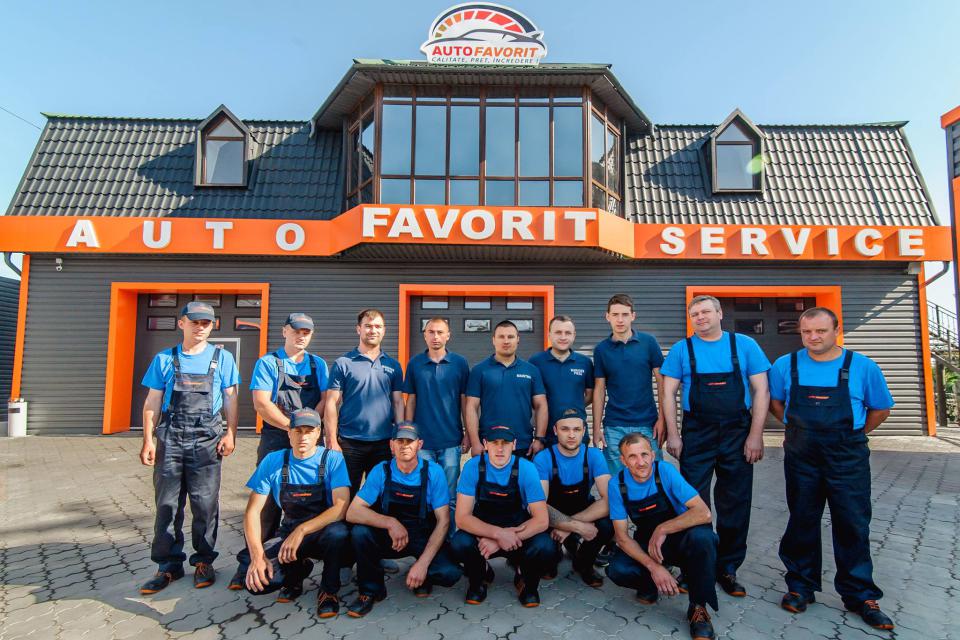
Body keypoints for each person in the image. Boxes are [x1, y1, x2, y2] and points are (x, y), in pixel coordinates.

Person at [768, 307, 895, 631]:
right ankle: (800, 586)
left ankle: (860, 595)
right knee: (802, 520)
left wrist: (853, 434)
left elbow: (881, 409)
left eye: (821, 331)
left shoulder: (862, 366)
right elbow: (775, 403)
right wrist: (796, 429)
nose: (813, 337)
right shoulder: (785, 365)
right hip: (802, 456)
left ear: (837, 330)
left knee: (852, 523)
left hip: (847, 457)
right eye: (807, 332)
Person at [660, 295, 770, 597]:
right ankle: (693, 566)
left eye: (706, 311)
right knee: (692, 500)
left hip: (737, 432)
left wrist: (755, 435)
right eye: (694, 313)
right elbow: (668, 394)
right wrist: (674, 434)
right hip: (697, 433)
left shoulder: (744, 345)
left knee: (735, 502)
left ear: (720, 313)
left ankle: (727, 567)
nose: (700, 317)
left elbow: (761, 391)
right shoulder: (682, 349)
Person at [138, 301, 239, 594]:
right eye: (194, 322)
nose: (200, 327)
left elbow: (231, 398)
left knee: (205, 504)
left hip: (207, 438)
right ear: (181, 323)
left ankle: (204, 561)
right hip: (171, 436)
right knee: (167, 504)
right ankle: (168, 565)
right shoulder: (164, 359)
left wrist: (231, 434)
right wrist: (148, 439)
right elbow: (152, 401)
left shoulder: (223, 358)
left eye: (205, 323)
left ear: (212, 326)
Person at [229, 312, 329, 590]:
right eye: (296, 331)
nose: (301, 336)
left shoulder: (318, 364)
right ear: (285, 331)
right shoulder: (268, 363)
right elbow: (261, 403)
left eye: (306, 332)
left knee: (312, 496)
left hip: (310, 438)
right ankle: (249, 563)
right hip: (277, 437)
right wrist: (291, 428)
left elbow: (325, 400)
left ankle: (301, 557)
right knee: (268, 504)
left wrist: (307, 431)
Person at [606, 433, 719, 640]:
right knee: (617, 569)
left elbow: (703, 513)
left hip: (678, 539)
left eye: (644, 454)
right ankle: (652, 583)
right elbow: (622, 537)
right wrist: (654, 567)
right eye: (632, 457)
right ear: (623, 461)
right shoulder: (616, 484)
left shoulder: (665, 471)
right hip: (648, 544)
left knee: (704, 538)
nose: (641, 462)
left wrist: (663, 528)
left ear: (652, 454)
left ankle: (698, 608)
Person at [345, 421, 463, 617]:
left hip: (420, 536)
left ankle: (422, 575)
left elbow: (443, 521)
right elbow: (353, 512)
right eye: (399, 441)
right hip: (389, 538)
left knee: (449, 573)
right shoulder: (381, 470)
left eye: (410, 441)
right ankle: (370, 590)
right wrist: (390, 523)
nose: (404, 446)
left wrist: (423, 564)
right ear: (391, 445)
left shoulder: (433, 472)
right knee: (360, 533)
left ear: (419, 444)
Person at [243, 408, 350, 618]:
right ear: (289, 433)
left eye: (309, 431)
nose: (303, 437)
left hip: (323, 532)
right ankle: (296, 573)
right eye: (298, 431)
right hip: (289, 531)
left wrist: (302, 530)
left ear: (318, 433)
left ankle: (328, 591)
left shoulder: (332, 459)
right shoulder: (273, 461)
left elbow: (340, 508)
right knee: (257, 583)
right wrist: (257, 557)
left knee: (339, 534)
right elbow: (252, 513)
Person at [450, 425, 558, 607]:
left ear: (514, 445)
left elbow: (541, 520)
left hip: (517, 537)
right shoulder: (472, 467)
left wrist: (504, 539)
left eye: (505, 443)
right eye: (494, 443)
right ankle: (479, 578)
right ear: (485, 444)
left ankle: (527, 583)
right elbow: (461, 518)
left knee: (545, 546)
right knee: (459, 543)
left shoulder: (526, 468)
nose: (500, 449)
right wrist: (498, 535)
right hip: (484, 536)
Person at [324, 308, 404, 495]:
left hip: (383, 443)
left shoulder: (393, 365)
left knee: (380, 495)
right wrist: (332, 439)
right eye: (368, 326)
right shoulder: (343, 363)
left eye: (378, 326)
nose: (373, 330)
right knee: (345, 494)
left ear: (384, 330)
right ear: (358, 329)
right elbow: (331, 403)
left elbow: (398, 402)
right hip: (350, 442)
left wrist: (398, 437)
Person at [532, 408, 611, 587]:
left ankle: (583, 563)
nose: (571, 435)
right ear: (555, 430)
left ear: (584, 431)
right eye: (565, 429)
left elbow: (609, 500)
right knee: (546, 555)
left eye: (576, 429)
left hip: (583, 510)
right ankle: (556, 552)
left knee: (608, 524)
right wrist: (576, 527)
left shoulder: (593, 455)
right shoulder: (543, 458)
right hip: (552, 516)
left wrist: (570, 526)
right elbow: (539, 506)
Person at [592, 294, 666, 473]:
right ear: (607, 316)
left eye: (625, 314)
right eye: (615, 314)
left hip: (648, 424)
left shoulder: (649, 343)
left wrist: (663, 419)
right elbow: (599, 390)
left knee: (651, 476)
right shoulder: (601, 349)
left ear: (633, 316)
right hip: (614, 425)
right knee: (617, 479)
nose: (620, 319)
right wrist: (596, 428)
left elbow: (662, 383)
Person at [403, 317, 470, 511]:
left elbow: (465, 402)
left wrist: (468, 434)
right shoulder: (415, 363)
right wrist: (408, 434)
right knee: (424, 494)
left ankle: (449, 531)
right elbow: (411, 400)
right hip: (422, 442)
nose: (435, 336)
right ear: (425, 335)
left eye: (440, 332)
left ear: (448, 335)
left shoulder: (460, 363)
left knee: (450, 497)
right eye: (431, 332)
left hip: (451, 441)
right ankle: (426, 531)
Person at [465, 321, 548, 458]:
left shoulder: (531, 370)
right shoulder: (479, 370)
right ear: (493, 340)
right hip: (489, 443)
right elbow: (471, 407)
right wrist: (475, 442)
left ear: (518, 339)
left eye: (510, 337)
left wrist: (539, 439)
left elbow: (541, 405)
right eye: (501, 336)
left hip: (523, 444)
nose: (506, 341)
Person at [529, 316, 594, 447]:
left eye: (567, 333)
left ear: (574, 335)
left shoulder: (585, 362)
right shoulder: (535, 362)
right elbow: (531, 398)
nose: (563, 337)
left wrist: (573, 406)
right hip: (545, 434)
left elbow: (590, 395)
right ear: (549, 334)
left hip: (576, 433)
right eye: (558, 332)